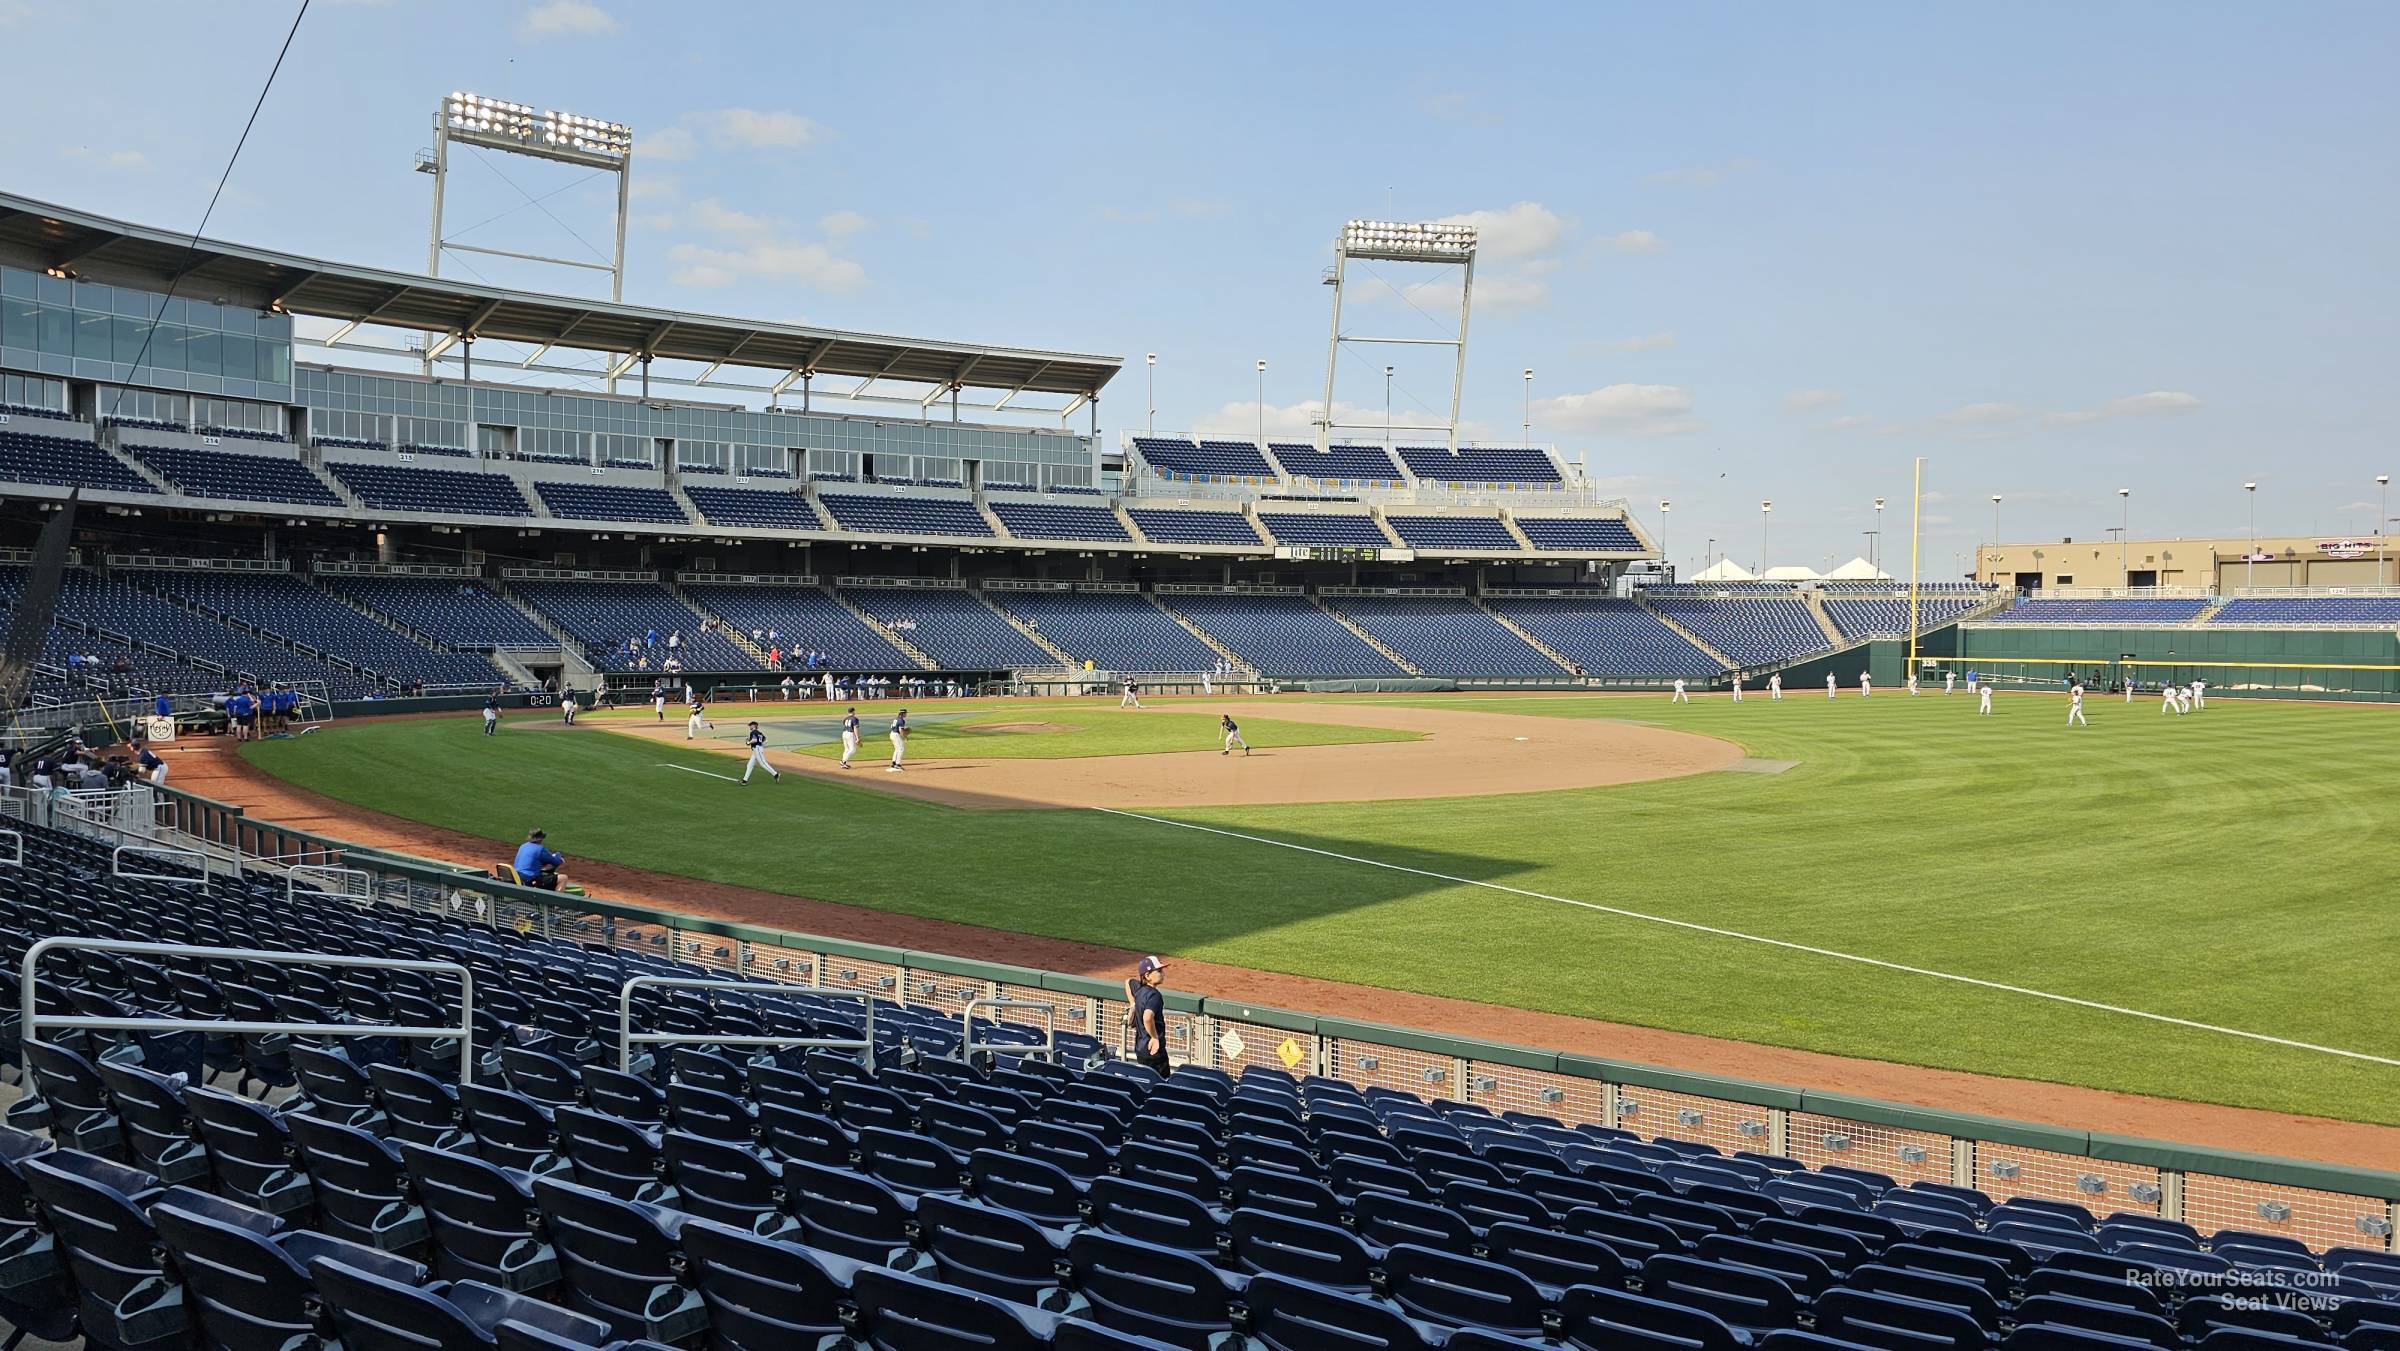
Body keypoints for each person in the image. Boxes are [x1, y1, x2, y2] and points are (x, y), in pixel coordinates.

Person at [1125, 955, 1171, 1073]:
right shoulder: (1155, 995)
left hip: (1140, 1049)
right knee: (1162, 1086)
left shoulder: (1139, 989)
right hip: (1154, 1051)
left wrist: (1133, 1004)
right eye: (1159, 971)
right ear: (1147, 975)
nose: (1162, 973)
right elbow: (1147, 1017)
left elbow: (1128, 982)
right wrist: (1155, 1037)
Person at [887, 706, 909, 771]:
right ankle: (897, 764)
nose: (906, 714)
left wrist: (903, 730)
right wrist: (905, 737)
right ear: (903, 714)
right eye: (905, 713)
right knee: (901, 749)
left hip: (892, 734)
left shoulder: (896, 719)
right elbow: (900, 730)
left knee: (897, 749)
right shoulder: (901, 720)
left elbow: (893, 727)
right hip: (896, 735)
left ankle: (893, 763)